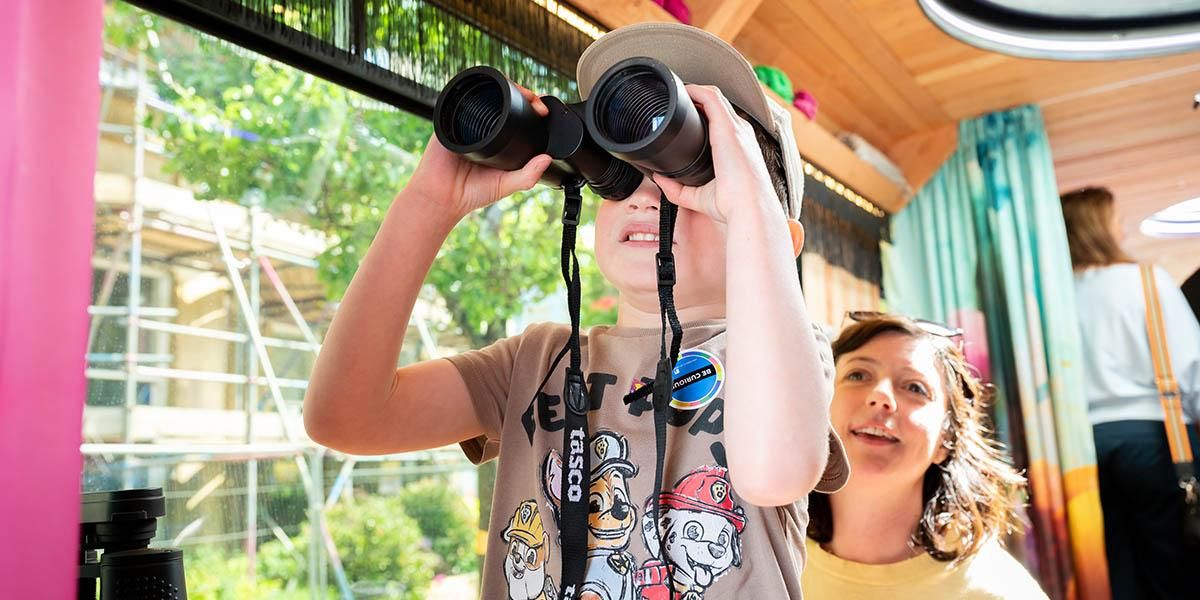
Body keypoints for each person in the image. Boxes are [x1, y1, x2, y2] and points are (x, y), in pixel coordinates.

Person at [304, 22, 850, 600]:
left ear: (774, 237)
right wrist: (428, 206)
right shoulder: (535, 362)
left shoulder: (783, 355)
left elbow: (775, 472)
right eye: (623, 170)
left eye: (692, 169)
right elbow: (345, 418)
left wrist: (749, 211)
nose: (647, 193)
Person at [802, 313, 1047, 599]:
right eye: (858, 375)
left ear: (946, 441)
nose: (880, 396)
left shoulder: (997, 590)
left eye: (914, 388)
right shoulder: (763, 557)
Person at [1060, 186, 1200, 599]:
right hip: (1157, 440)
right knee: (1176, 563)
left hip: (1082, 446)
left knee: (1113, 566)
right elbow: (1191, 364)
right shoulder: (1145, 280)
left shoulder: (1052, 295)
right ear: (1101, 227)